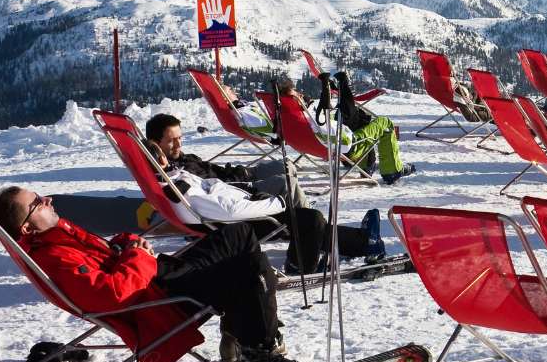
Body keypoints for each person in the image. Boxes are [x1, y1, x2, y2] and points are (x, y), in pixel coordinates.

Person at [0, 186, 311, 362]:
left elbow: (106, 253)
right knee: (245, 268)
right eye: (38, 202)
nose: (48, 200)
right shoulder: (56, 257)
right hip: (159, 302)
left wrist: (130, 244)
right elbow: (112, 295)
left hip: (154, 280)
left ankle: (245, 338)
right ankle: (257, 355)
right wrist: (138, 257)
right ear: (26, 228)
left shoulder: (57, 237)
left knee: (238, 236)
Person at [143, 140, 385, 273]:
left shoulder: (175, 178)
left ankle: (363, 241)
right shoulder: (181, 187)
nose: (172, 150)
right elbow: (229, 211)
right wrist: (274, 203)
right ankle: (303, 265)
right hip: (238, 222)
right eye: (161, 153)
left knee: (307, 220)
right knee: (310, 220)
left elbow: (218, 192)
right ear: (159, 160)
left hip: (241, 208)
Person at [145, 113, 310, 211]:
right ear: (155, 144)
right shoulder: (176, 174)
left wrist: (239, 172)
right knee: (287, 183)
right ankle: (311, 227)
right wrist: (241, 177)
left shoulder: (183, 158)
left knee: (286, 166)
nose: (179, 144)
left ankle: (295, 211)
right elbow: (214, 188)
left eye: (179, 138)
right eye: (171, 141)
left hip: (237, 175)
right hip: (238, 190)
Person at [277, 77, 415, 185]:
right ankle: (392, 171)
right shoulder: (311, 120)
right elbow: (342, 138)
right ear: (294, 100)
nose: (301, 94)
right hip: (348, 147)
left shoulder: (287, 118)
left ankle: (367, 165)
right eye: (297, 94)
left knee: (354, 116)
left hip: (316, 146)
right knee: (385, 123)